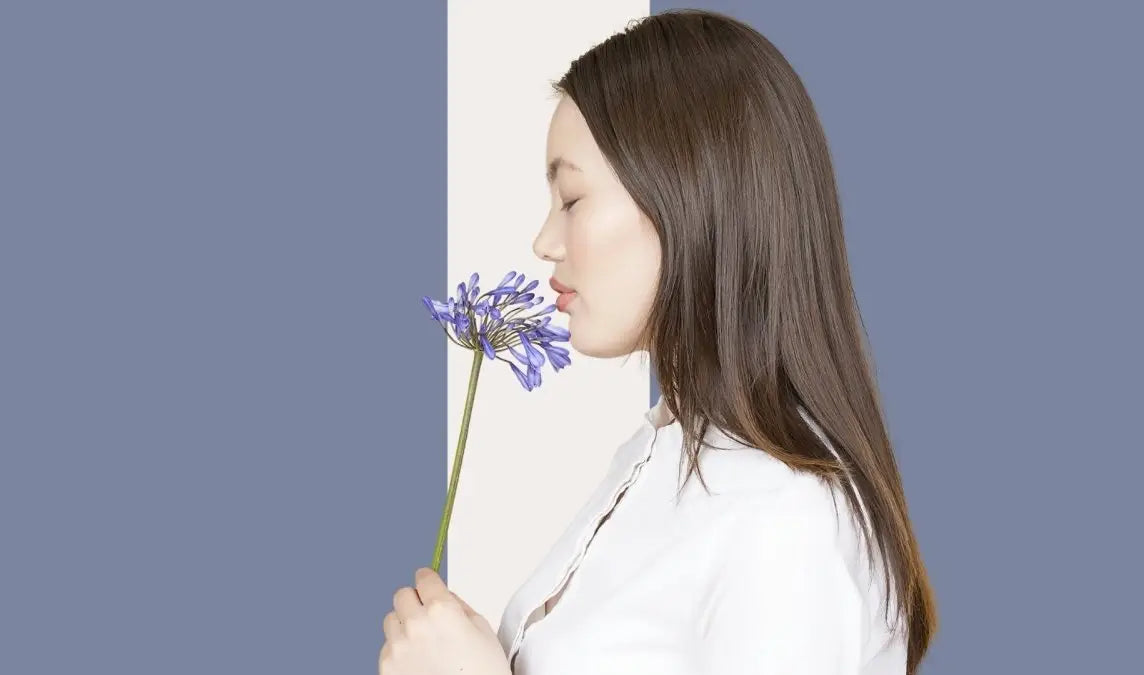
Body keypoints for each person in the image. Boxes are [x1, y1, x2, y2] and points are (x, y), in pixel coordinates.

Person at [378, 9, 937, 675]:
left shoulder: (786, 520)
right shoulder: (654, 456)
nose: (544, 242)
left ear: (687, 196)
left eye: (573, 199)